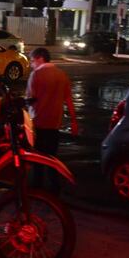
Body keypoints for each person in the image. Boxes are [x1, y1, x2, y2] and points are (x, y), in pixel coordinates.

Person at [26, 48, 78, 193]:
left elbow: (29, 100)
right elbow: (68, 100)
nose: (31, 64)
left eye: (32, 61)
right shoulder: (62, 75)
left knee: (37, 159)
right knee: (52, 158)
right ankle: (55, 189)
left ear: (40, 58)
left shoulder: (36, 75)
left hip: (38, 124)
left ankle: (37, 189)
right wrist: (74, 121)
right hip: (54, 124)